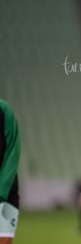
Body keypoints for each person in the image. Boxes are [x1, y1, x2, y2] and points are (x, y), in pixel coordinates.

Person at [0, 99, 21, 244]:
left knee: (4, 240)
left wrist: (1, 192)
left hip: (5, 192)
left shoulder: (3, 109)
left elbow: (13, 150)